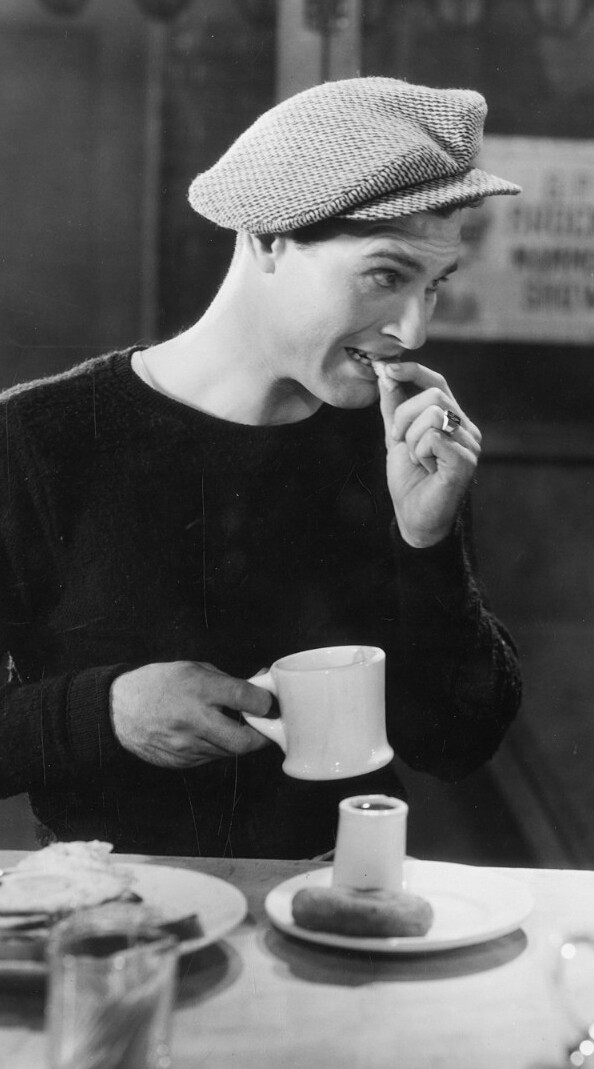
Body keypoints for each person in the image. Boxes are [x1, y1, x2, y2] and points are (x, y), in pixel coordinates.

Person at [0, 77, 524, 858]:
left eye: (435, 286)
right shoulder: (36, 437)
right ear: (269, 236)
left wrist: (429, 542)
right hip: (115, 907)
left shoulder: (397, 441)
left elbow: (457, 742)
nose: (414, 331)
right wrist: (104, 711)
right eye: (387, 276)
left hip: (341, 900)